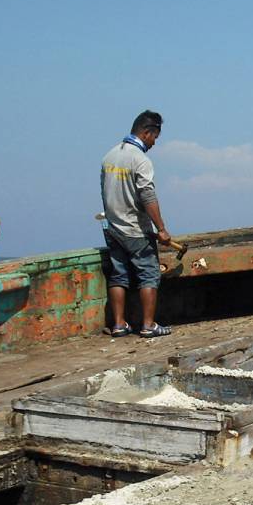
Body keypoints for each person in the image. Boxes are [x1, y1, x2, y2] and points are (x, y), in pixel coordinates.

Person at [99, 109, 173, 338]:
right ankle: (148, 325)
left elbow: (104, 192)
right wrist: (161, 229)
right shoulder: (141, 160)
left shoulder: (109, 156)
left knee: (118, 276)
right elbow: (147, 196)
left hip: (113, 228)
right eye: (154, 137)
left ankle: (119, 324)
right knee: (149, 275)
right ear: (146, 132)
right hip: (136, 230)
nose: (154, 143)